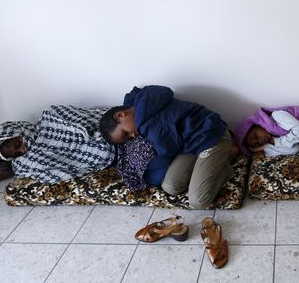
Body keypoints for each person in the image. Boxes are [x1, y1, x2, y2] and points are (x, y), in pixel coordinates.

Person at [99, 85, 236, 209]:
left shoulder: (148, 126)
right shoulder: (138, 103)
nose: (133, 136)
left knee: (198, 201)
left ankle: (226, 157)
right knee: (171, 187)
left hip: (211, 135)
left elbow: (166, 151)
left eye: (125, 133)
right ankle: (210, 163)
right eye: (128, 138)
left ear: (120, 114)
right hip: (188, 144)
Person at [0, 105, 115, 184]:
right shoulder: (28, 159)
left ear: (18, 131)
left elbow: (86, 118)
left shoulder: (51, 115)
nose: (23, 150)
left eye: (17, 144)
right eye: (18, 153)